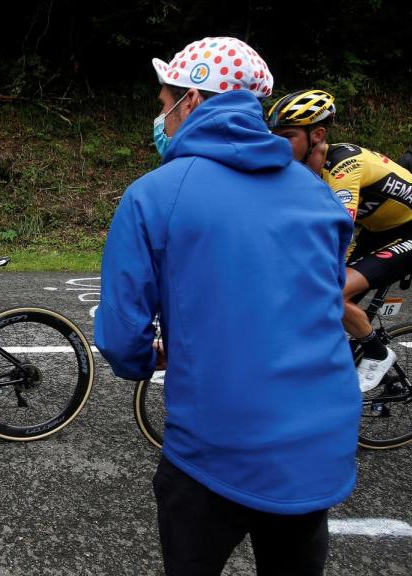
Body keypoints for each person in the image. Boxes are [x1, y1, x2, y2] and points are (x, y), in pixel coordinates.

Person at [95, 37, 359, 576]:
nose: (159, 115)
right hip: (316, 447)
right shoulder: (316, 193)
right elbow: (324, 298)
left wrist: (150, 359)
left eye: (162, 99)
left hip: (216, 449)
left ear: (190, 101)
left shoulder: (154, 195)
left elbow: (123, 339)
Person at [267, 89, 412, 392]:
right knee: (320, 310)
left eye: (287, 136)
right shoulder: (306, 171)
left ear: (317, 134)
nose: (277, 144)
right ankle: (376, 376)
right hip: (379, 233)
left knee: (331, 294)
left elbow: (337, 231)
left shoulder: (344, 164)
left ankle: (377, 353)